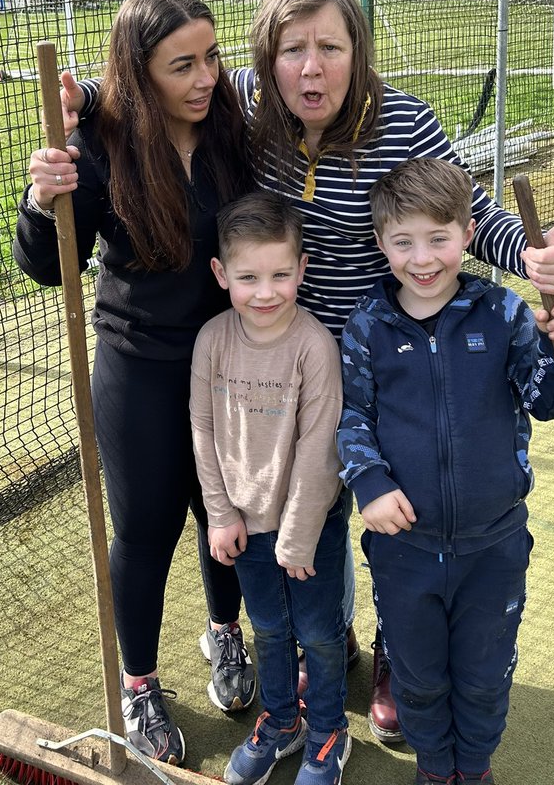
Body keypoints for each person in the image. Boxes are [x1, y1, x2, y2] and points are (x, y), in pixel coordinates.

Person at [55, 0, 554, 741]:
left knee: (398, 509)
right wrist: (88, 102)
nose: (312, 68)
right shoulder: (249, 107)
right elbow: (151, 85)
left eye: (330, 48)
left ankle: (399, 648)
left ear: (357, 52)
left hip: (383, 357)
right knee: (307, 511)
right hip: (282, 361)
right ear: (267, 60)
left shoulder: (402, 122)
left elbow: (468, 210)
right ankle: (325, 640)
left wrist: (534, 256)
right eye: (293, 50)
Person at [13, 0, 256, 766]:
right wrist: (39, 199)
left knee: (224, 515)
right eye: (182, 65)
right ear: (139, 72)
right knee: (147, 528)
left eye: (211, 56)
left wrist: (89, 89)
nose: (205, 77)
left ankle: (225, 633)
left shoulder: (233, 128)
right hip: (138, 366)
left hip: (226, 362)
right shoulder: (96, 149)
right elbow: (47, 266)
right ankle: (140, 683)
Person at [337, 157, 554, 785]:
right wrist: (369, 482)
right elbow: (352, 415)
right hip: (404, 548)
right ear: (380, 242)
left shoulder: (502, 313)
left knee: (484, 675)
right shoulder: (367, 325)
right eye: (402, 242)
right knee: (417, 677)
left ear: (468, 233)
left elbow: (548, 401)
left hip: (493, 544)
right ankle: (434, 770)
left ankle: (472, 769)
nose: (422, 259)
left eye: (438, 238)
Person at [190, 191, 351, 785]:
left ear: (302, 269)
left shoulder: (314, 345)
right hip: (244, 523)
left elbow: (320, 444)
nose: (266, 292)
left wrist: (301, 532)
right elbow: (202, 429)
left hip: (310, 527)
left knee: (319, 634)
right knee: (269, 629)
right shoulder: (212, 340)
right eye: (248, 277)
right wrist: (219, 512)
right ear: (221, 273)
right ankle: (282, 721)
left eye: (281, 275)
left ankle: (328, 729)